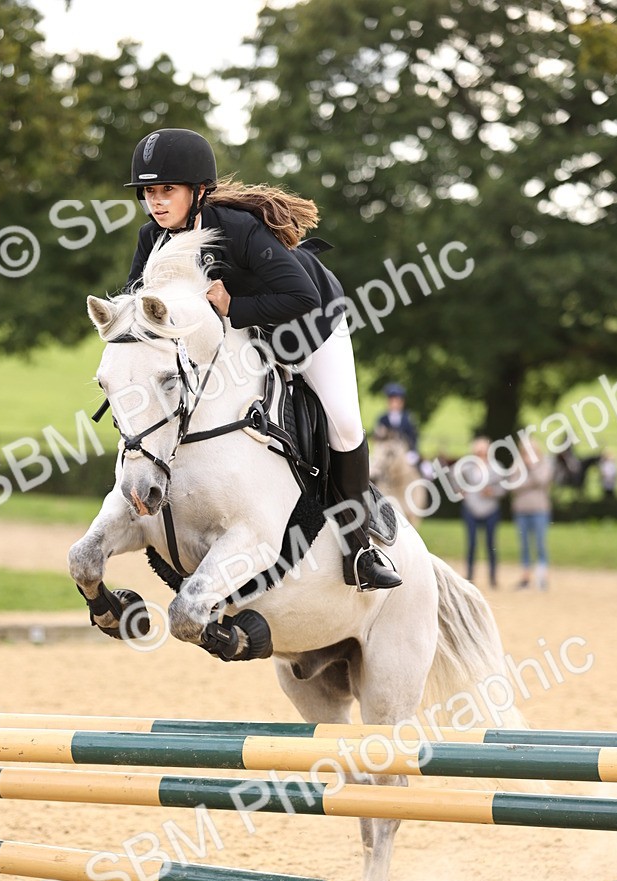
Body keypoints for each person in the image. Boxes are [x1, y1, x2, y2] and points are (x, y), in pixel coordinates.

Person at [122, 128, 401, 591]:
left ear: (199, 191)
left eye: (166, 190)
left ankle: (360, 548)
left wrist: (233, 307)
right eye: (149, 192)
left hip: (310, 324)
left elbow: (301, 295)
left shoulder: (237, 228)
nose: (156, 201)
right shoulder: (151, 238)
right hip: (243, 336)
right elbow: (141, 305)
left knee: (345, 424)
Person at [458, 437, 502, 589]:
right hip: (471, 509)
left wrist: (493, 492)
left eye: (483, 452)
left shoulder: (496, 468)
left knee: (491, 544)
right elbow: (455, 482)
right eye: (478, 452)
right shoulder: (466, 468)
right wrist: (460, 491)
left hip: (490, 510)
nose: (481, 455)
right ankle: (469, 576)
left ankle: (493, 577)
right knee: (471, 544)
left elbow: (503, 488)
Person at [510, 439, 553, 590]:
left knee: (540, 543)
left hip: (540, 510)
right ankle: (526, 577)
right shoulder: (516, 466)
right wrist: (530, 483)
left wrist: (532, 468)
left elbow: (542, 480)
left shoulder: (544, 464)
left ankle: (542, 577)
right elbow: (513, 485)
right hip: (521, 511)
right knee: (524, 545)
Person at [374, 383, 420, 465]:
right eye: (392, 401)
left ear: (402, 402)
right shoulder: (382, 419)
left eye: (397, 401)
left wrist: (413, 451)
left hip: (405, 453)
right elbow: (378, 438)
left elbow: (413, 437)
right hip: (386, 454)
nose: (394, 404)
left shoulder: (408, 419)